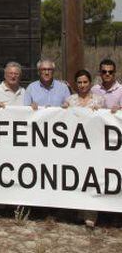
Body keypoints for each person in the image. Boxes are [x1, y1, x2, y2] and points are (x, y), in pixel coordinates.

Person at [62, 69, 104, 228]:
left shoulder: (99, 100)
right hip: (76, 146)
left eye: (85, 82)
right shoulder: (70, 100)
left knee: (92, 178)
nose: (82, 85)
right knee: (78, 178)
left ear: (90, 83)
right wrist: (63, 110)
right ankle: (79, 211)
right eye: (79, 82)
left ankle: (91, 215)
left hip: (94, 146)